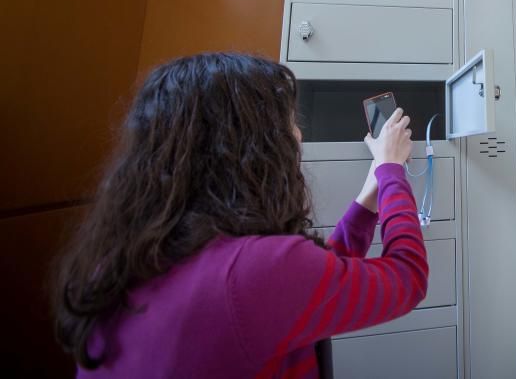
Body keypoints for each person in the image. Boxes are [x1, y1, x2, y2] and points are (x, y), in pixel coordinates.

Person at [52, 53, 428, 378]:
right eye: (286, 122)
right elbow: (407, 277)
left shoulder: (127, 261)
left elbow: (313, 283)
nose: (297, 136)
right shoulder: (253, 273)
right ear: (248, 146)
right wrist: (391, 170)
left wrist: (373, 189)